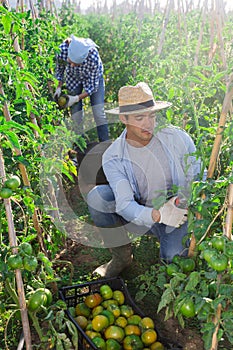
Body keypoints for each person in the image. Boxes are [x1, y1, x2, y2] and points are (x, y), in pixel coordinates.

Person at [86, 82, 204, 278]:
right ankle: (121, 257)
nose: (148, 124)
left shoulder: (177, 138)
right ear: (123, 118)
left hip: (178, 214)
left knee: (174, 258)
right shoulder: (114, 156)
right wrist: (158, 215)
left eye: (151, 116)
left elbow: (198, 175)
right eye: (139, 118)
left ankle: (173, 243)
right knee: (98, 197)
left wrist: (182, 203)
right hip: (142, 215)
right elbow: (124, 204)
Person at [54, 35, 109, 142]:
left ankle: (105, 145)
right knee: (76, 114)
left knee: (98, 111)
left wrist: (75, 98)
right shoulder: (63, 50)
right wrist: (59, 87)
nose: (73, 65)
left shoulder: (93, 58)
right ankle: (80, 147)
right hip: (73, 78)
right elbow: (60, 70)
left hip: (92, 78)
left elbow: (92, 87)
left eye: (76, 63)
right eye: (71, 62)